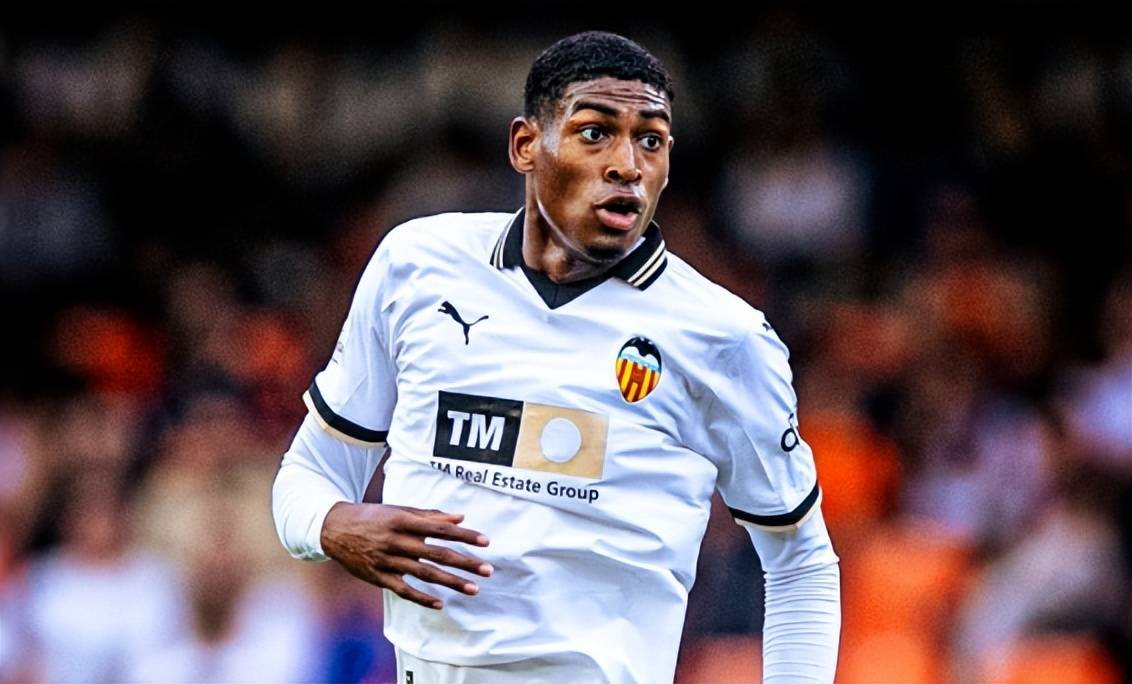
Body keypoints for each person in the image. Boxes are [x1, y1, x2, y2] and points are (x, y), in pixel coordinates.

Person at [273, 30, 840, 683]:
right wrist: (331, 525)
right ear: (525, 145)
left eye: (651, 140)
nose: (627, 164)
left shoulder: (724, 336)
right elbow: (309, 473)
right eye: (596, 133)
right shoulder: (416, 266)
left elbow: (800, 563)